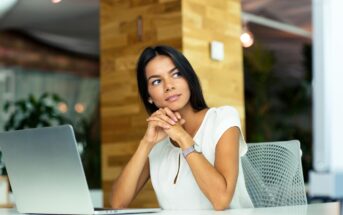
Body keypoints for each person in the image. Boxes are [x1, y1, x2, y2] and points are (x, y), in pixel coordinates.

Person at [110, 45, 253, 210]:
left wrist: (183, 137)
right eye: (156, 81)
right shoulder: (157, 144)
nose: (168, 86)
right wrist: (146, 144)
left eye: (176, 74)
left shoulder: (222, 119)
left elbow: (221, 200)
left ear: (188, 79)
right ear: (149, 96)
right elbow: (117, 203)